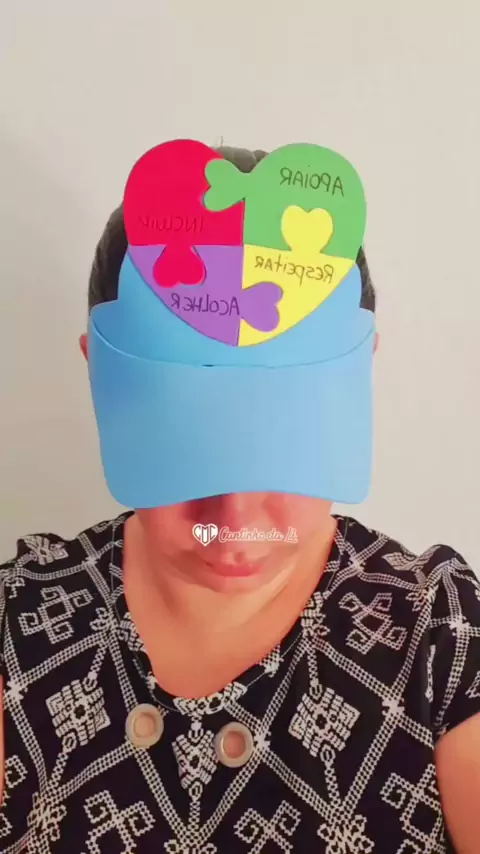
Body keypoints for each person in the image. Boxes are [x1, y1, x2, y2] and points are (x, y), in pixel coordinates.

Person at [0, 144, 479, 854]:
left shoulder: (440, 636)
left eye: (288, 439)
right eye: (184, 441)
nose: (236, 518)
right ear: (97, 376)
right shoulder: (20, 621)